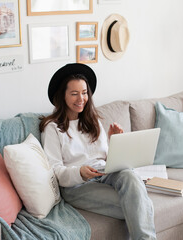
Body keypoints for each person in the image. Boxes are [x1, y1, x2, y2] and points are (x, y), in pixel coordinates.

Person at [40, 63, 157, 240]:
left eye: (84, 92)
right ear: (62, 96)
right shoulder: (53, 128)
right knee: (141, 205)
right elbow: (55, 172)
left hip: (104, 173)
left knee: (130, 176)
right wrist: (79, 172)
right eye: (74, 93)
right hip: (77, 185)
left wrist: (114, 142)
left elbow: (105, 159)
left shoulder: (91, 120)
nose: (81, 99)